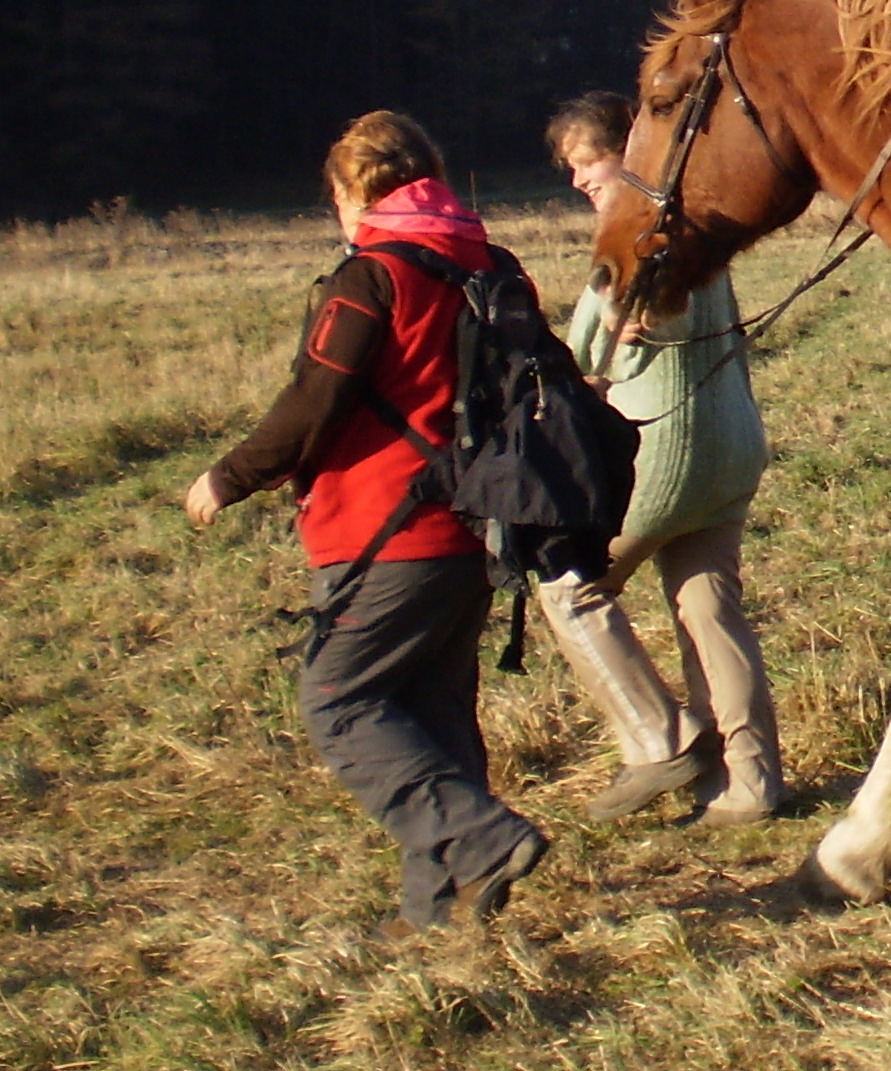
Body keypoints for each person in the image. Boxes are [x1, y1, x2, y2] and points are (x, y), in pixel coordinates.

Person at [185, 111, 548, 935]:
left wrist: (228, 477)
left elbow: (315, 401)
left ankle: (479, 838)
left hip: (385, 533)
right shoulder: (493, 266)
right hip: (477, 526)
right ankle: (437, 913)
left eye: (337, 195)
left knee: (337, 700)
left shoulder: (372, 277)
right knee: (435, 711)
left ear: (355, 191)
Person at [537, 92, 786, 825]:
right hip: (734, 448)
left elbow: (592, 345)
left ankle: (663, 739)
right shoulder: (702, 228)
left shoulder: (640, 239)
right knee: (710, 612)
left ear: (634, 151)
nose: (581, 179)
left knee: (570, 588)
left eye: (591, 161)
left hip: (662, 455)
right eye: (572, 168)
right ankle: (750, 786)